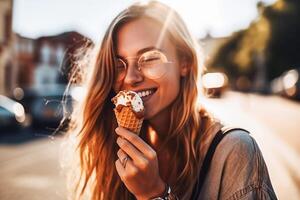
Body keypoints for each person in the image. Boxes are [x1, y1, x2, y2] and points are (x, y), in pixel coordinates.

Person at [63, 1, 278, 200]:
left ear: (184, 62)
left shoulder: (235, 152)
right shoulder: (112, 155)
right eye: (118, 64)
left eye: (150, 58)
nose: (131, 78)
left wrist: (154, 194)